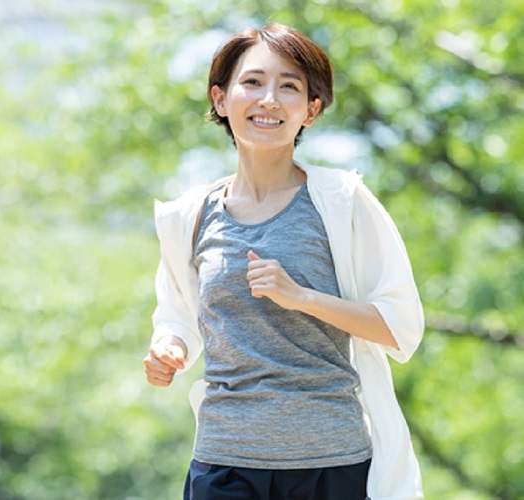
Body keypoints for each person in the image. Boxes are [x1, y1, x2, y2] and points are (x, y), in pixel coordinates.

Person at [143, 23, 424, 500]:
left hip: (331, 465)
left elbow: (400, 327)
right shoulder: (189, 215)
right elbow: (178, 316)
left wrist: (302, 297)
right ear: (220, 99)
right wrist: (168, 348)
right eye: (252, 82)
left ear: (311, 110)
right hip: (224, 462)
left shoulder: (341, 200)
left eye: (289, 86)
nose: (269, 99)